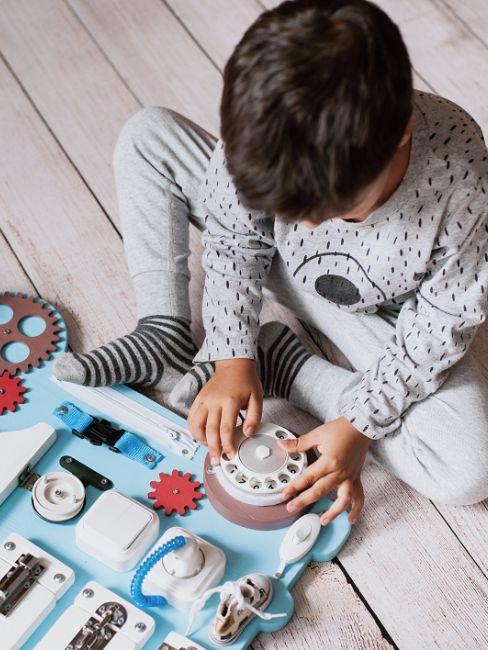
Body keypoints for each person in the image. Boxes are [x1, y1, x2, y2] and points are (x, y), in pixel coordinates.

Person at [54, 0, 488, 524]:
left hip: (393, 318)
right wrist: (231, 353)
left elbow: (442, 321)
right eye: (290, 208)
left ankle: (291, 366)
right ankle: (164, 331)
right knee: (149, 137)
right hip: (286, 267)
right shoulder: (265, 139)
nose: (308, 226)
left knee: (468, 468)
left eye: (334, 209)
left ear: (399, 132)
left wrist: (357, 422)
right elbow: (237, 238)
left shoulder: (459, 177)